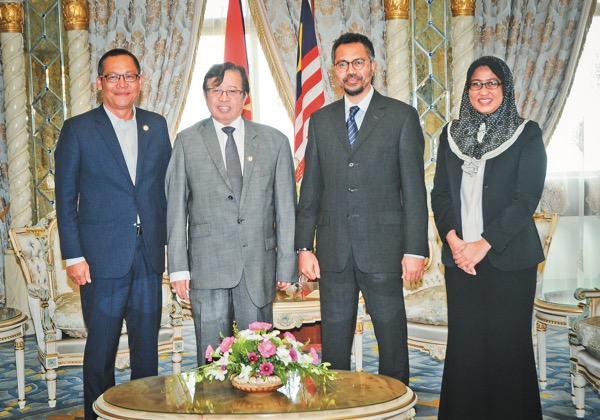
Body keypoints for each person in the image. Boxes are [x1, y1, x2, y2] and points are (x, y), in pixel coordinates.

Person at [295, 32, 429, 384]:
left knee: (391, 339)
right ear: (334, 71)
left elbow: (414, 191)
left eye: (358, 62)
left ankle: (396, 403)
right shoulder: (320, 121)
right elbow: (311, 190)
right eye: (342, 64)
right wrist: (303, 247)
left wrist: (415, 249)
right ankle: (338, 405)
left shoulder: (401, 117)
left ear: (372, 66)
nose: (350, 70)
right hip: (333, 251)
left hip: (384, 249)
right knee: (335, 343)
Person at [55, 49, 171, 419]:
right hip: (100, 261)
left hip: (148, 257)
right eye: (113, 77)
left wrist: (171, 246)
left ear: (140, 81)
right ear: (100, 83)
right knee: (101, 351)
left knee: (147, 351)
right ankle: (98, 415)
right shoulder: (78, 129)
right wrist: (73, 256)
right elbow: (65, 199)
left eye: (129, 76)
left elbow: (164, 192)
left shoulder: (156, 125)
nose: (122, 84)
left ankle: (144, 413)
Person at [431, 56, 546, 419]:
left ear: (505, 88)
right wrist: (454, 242)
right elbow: (440, 195)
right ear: (468, 90)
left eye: (492, 83)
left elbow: (525, 199)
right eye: (476, 83)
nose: (484, 90)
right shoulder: (450, 135)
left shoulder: (527, 133)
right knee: (466, 350)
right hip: (461, 262)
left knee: (507, 349)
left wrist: (483, 244)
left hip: (508, 261)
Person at [166, 62, 297, 365]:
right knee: (212, 360)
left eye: (232, 91)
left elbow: (287, 210)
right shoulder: (186, 141)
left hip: (257, 267)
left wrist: (286, 265)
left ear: (245, 96)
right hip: (207, 267)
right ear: (205, 95)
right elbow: (175, 208)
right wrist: (178, 268)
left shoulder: (275, 141)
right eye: (216, 90)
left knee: (260, 360)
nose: (223, 98)